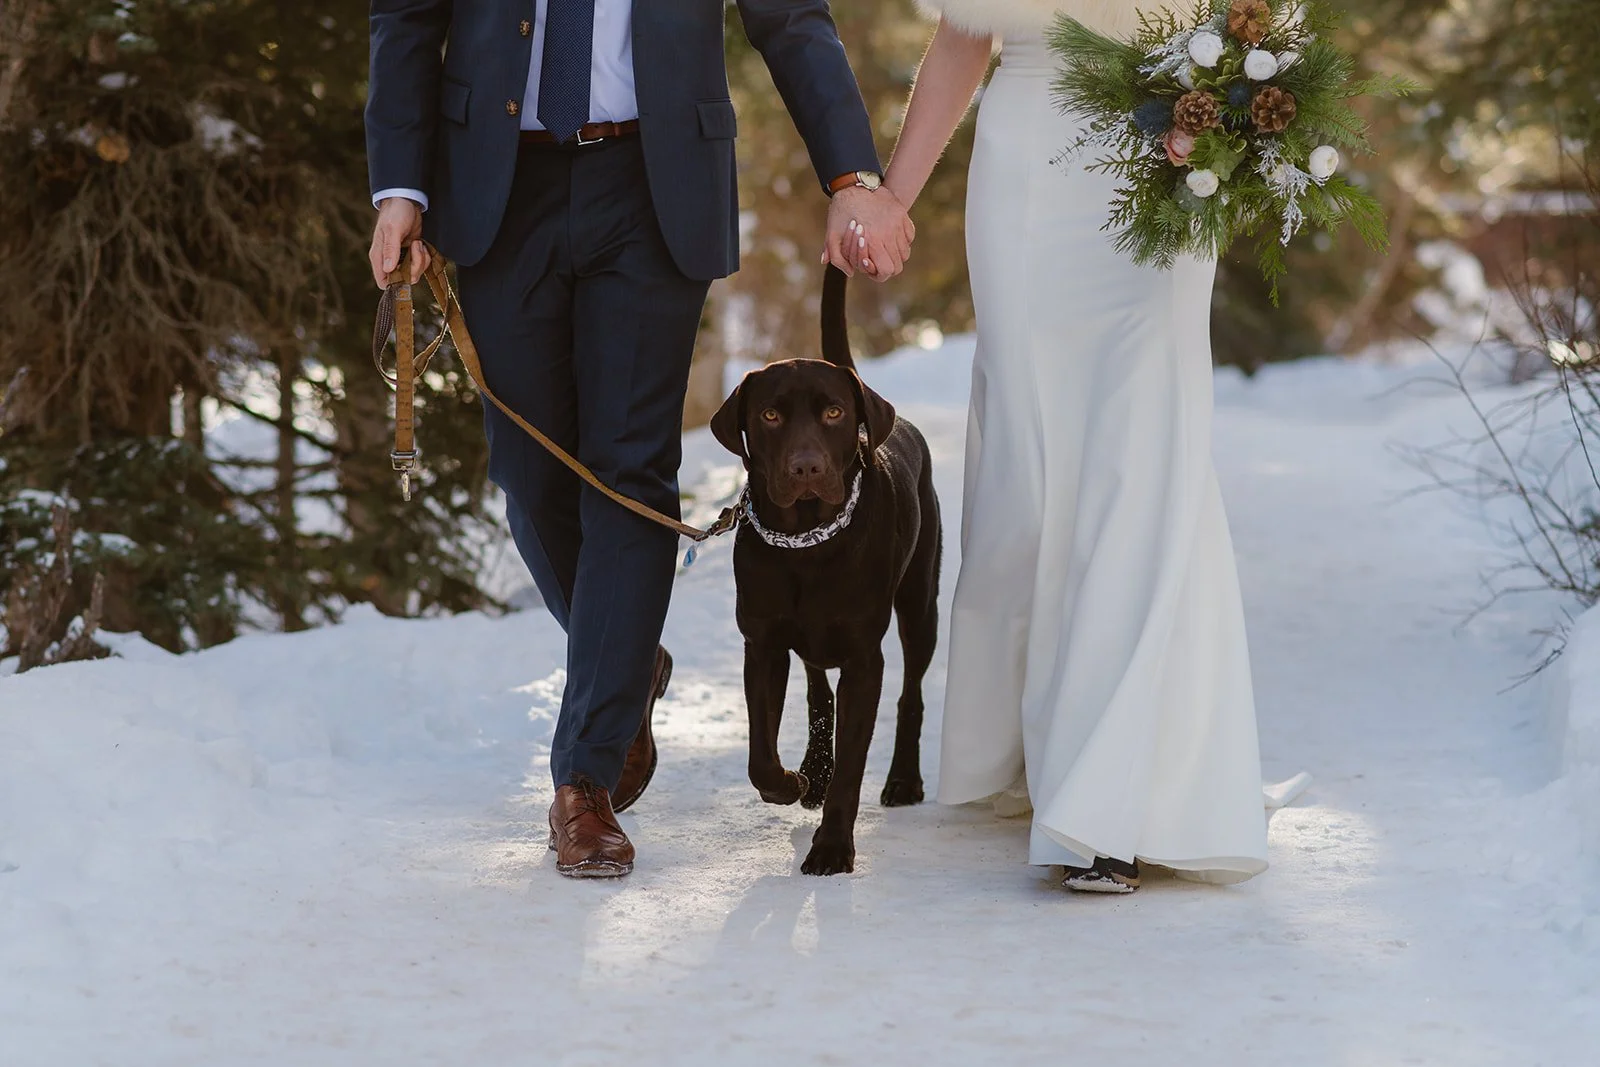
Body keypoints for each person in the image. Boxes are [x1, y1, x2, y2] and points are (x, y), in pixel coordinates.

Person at [364, 0, 915, 879]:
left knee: (630, 470)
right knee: (530, 470)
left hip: (655, 181)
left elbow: (790, 16)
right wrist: (400, 187)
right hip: (499, 180)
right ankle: (624, 654)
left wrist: (852, 175)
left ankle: (584, 782)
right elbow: (406, 16)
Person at [868, 0, 1270, 892]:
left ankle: (1107, 805)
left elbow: (1260, 29)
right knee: (1033, 455)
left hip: (1169, 152)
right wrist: (893, 192)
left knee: (1143, 454)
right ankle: (1031, 749)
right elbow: (965, 34)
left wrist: (1227, 119)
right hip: (1029, 165)